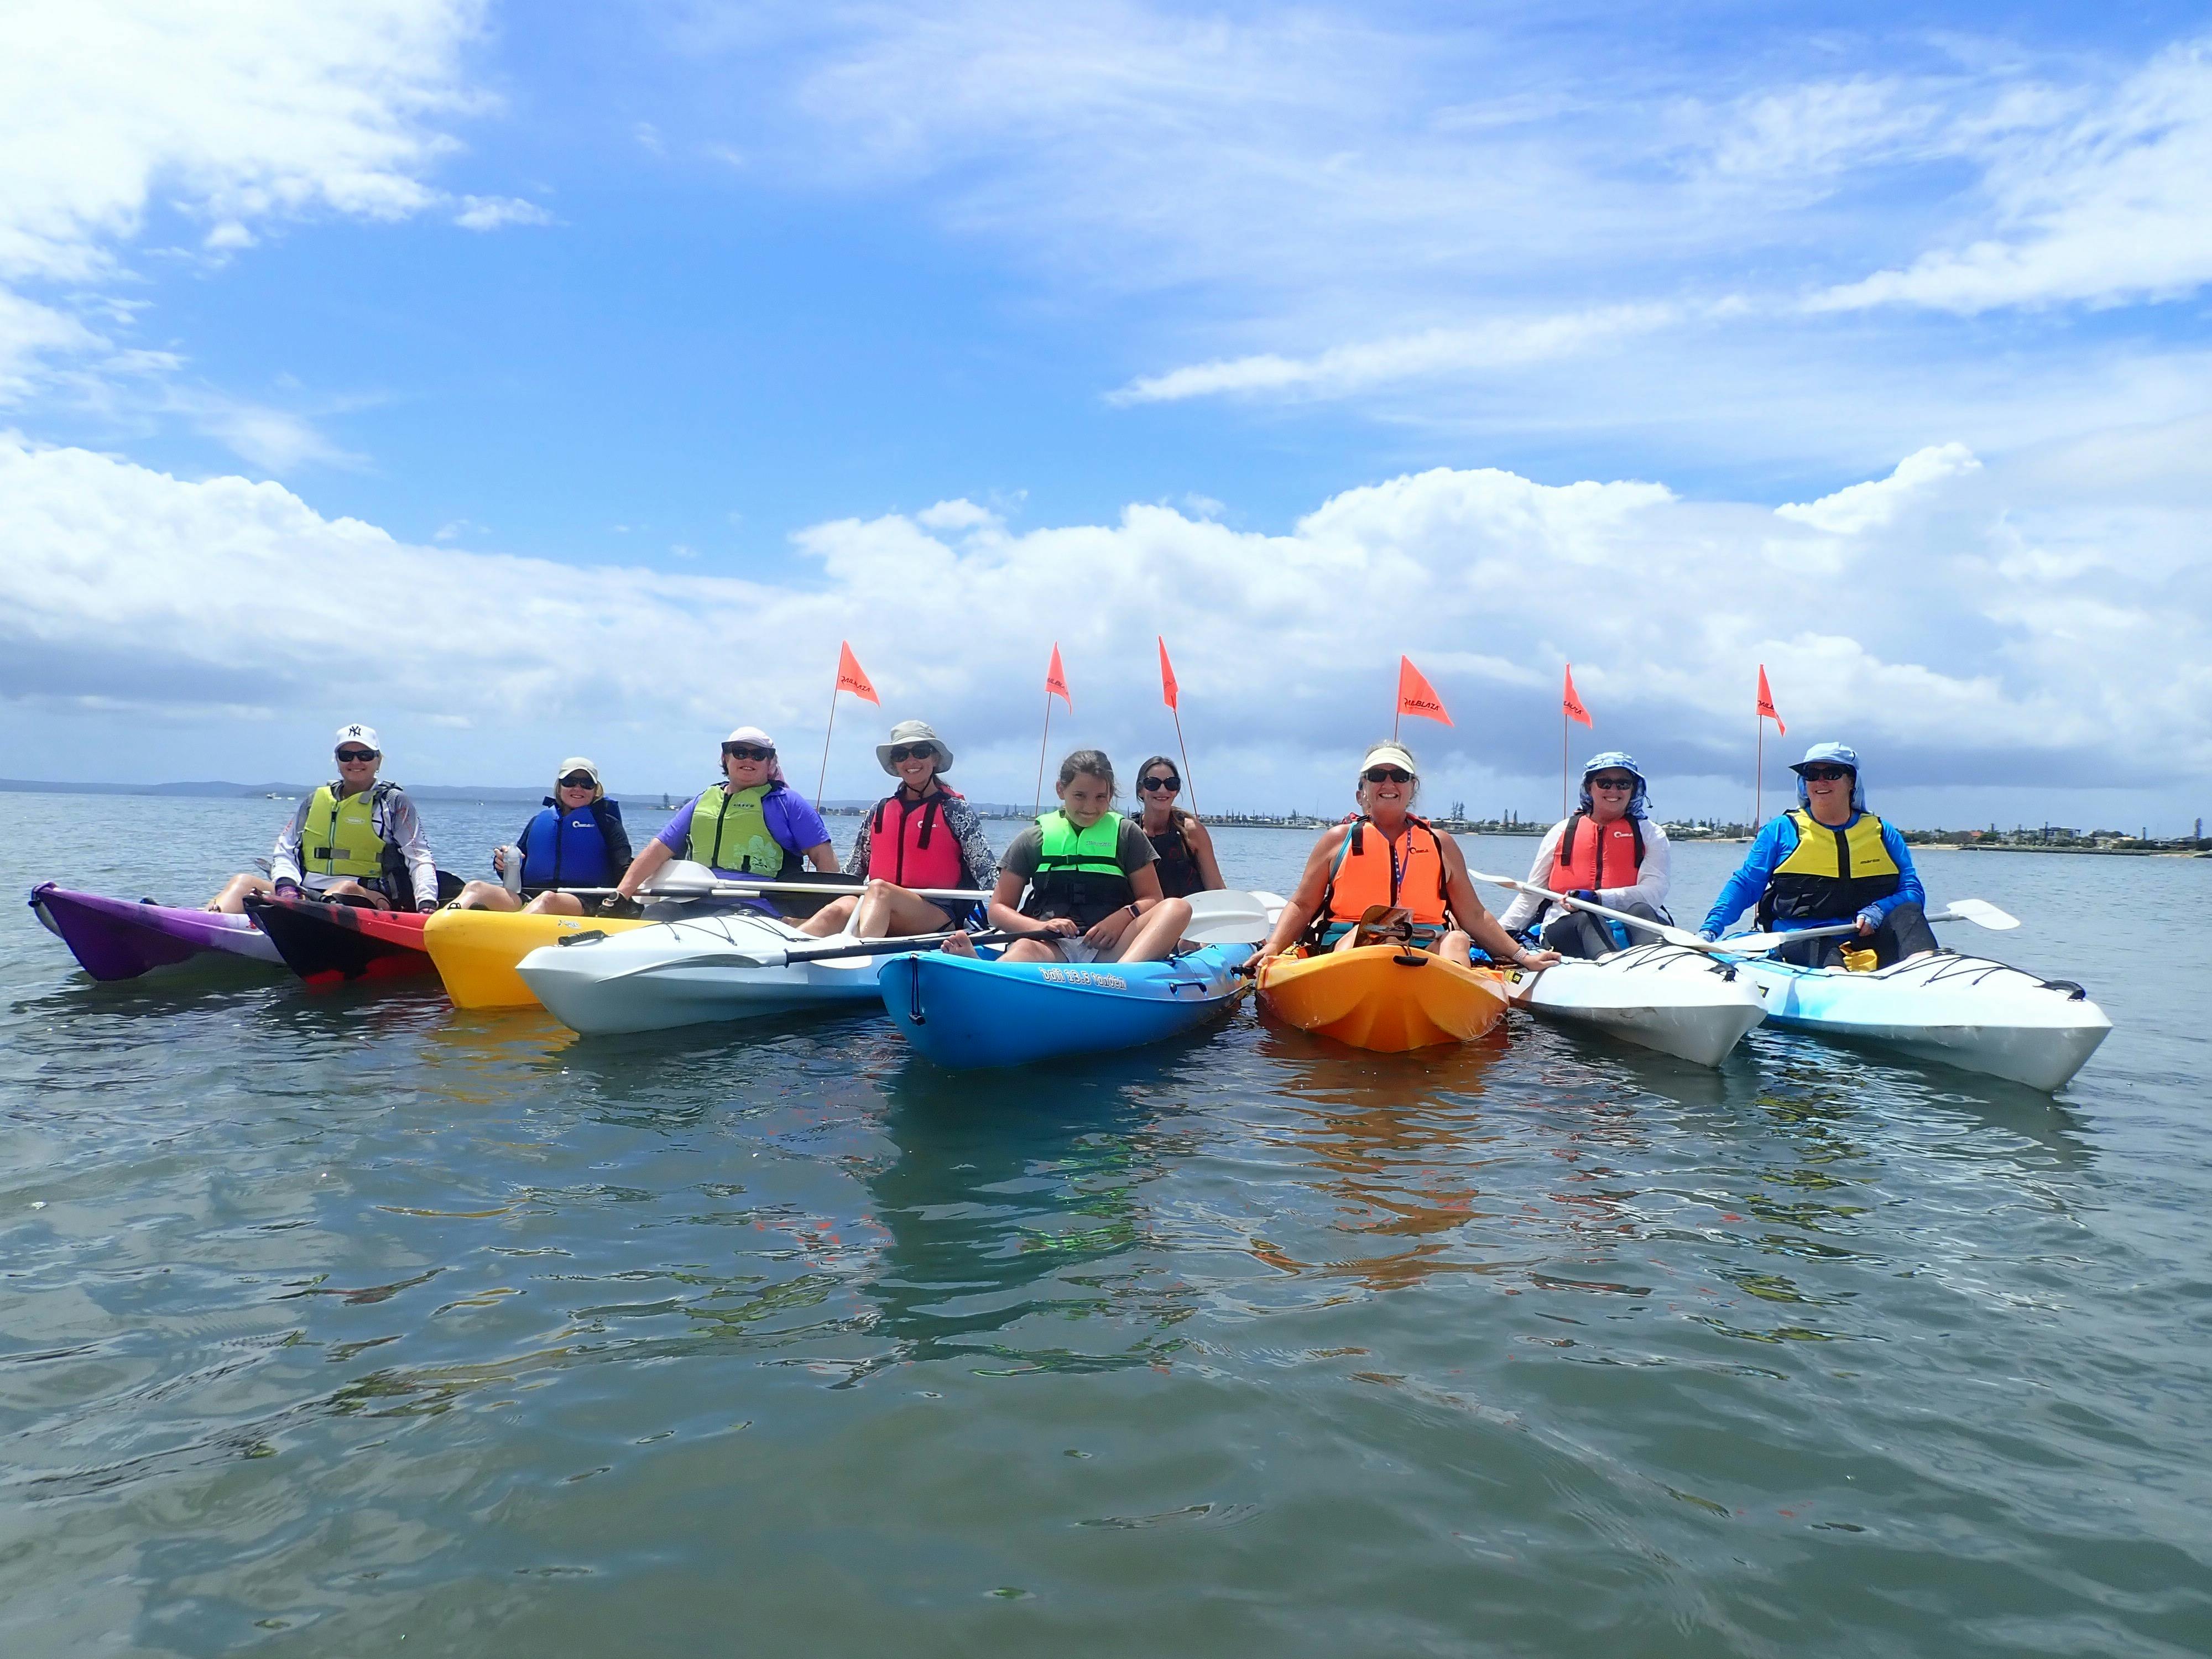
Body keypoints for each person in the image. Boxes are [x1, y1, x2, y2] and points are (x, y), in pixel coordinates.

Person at [1255, 741, 1557, 971]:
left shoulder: (1441, 844)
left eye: (1399, 776)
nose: (1389, 784)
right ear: (1363, 789)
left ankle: (1448, 1008)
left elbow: (1474, 915)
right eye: (1377, 776)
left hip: (1427, 945)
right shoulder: (1337, 840)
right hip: (1350, 946)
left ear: (1412, 788)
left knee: (1457, 940)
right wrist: (1274, 948)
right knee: (1374, 935)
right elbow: (1304, 903)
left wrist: (1523, 957)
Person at [1699, 741, 1938, 968]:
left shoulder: (1884, 833)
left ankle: (1925, 971)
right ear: (1804, 783)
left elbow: (1912, 892)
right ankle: (1838, 981)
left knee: (1908, 913)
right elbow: (1745, 886)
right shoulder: (1781, 831)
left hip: (1868, 934)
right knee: (1824, 952)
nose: (1820, 781)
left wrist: (1879, 910)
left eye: (1832, 773)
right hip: (1804, 937)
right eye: (1811, 774)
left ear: (1851, 781)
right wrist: (1710, 930)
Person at [942, 750, 1191, 965]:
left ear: (1111, 794)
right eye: (1080, 795)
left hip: (1112, 947)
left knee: (1178, 908)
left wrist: (1121, 918)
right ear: (1061, 790)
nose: (1090, 807)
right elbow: (997, 910)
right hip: (1052, 945)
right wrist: (1038, 928)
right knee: (1024, 949)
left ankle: (1121, 977)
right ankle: (988, 972)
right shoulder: (1033, 839)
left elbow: (1153, 899)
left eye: (1100, 797)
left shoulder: (1127, 834)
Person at [598, 727, 838, 916]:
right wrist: (620, 895)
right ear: (725, 758)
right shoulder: (702, 801)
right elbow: (658, 851)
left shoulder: (789, 804)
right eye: (740, 752)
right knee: (656, 915)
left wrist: (823, 911)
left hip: (757, 904)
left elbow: (824, 860)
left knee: (720, 922)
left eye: (758, 754)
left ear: (770, 763)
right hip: (692, 897)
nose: (749, 759)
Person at [206, 723, 442, 914]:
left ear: (378, 760)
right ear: (337, 760)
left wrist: (427, 903)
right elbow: (284, 850)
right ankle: (202, 925)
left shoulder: (393, 802)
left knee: (344, 889)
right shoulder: (314, 801)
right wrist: (287, 886)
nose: (356, 762)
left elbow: (419, 857)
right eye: (346, 755)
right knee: (242, 883)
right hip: (306, 895)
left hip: (367, 897)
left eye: (365, 755)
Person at [797, 720, 998, 940]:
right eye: (901, 754)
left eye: (920, 752)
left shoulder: (956, 810)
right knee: (839, 909)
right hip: (879, 902)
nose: (911, 761)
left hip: (939, 912)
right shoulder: (879, 811)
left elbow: (986, 872)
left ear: (935, 758)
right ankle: (788, 950)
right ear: (894, 763)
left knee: (881, 891)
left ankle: (862, 955)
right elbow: (853, 873)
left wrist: (1009, 914)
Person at [1498, 750, 1672, 958]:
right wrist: (1496, 936)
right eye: (1604, 783)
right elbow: (1532, 894)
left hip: (1632, 923)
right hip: (1568, 926)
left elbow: (1654, 892)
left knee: (1642, 910)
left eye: (1623, 784)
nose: (1614, 790)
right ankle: (1610, 963)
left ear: (1633, 788)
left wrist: (1598, 899)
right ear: (1590, 787)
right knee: (1586, 918)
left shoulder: (1651, 834)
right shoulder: (1561, 832)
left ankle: (1658, 966)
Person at [447, 758, 633, 916]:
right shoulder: (539, 821)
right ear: (559, 786)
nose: (578, 788)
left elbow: (624, 870)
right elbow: (518, 870)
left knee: (548, 900)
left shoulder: (608, 824)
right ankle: (436, 929)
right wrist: (503, 865)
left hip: (585, 901)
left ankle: (510, 933)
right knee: (475, 888)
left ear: (595, 790)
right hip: (530, 896)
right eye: (570, 782)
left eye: (586, 784)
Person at [1131, 754, 1224, 898]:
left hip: (1193, 915)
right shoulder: (1129, 833)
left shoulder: (1191, 831)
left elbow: (1216, 888)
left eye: (1171, 784)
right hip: (1147, 918)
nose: (1162, 790)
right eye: (1153, 783)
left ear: (1177, 790)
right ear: (1140, 790)